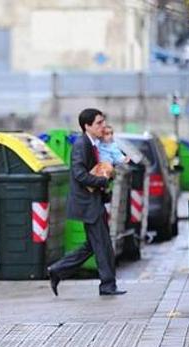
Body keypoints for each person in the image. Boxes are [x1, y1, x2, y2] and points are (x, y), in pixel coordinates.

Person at [47, 108, 126, 296]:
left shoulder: (94, 144)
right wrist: (102, 181)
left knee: (93, 245)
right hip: (88, 203)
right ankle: (107, 285)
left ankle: (57, 270)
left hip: (93, 200)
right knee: (103, 244)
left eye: (103, 122)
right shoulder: (82, 144)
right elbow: (79, 174)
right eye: (99, 123)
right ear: (87, 126)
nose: (103, 126)